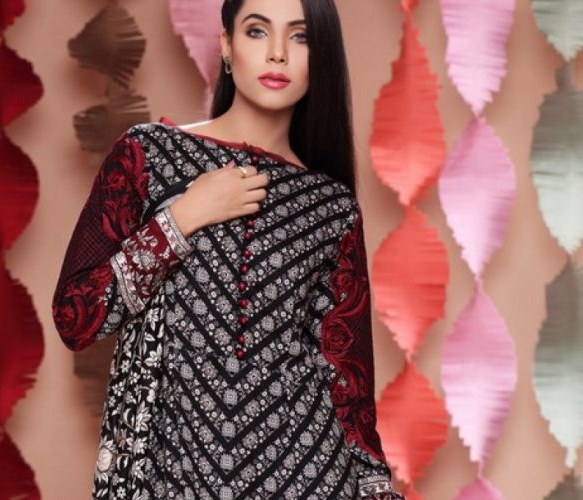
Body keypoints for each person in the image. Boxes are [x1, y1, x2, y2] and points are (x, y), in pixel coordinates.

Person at [52, 0, 405, 497]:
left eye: (300, 37)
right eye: (258, 31)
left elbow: (348, 382)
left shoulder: (331, 206)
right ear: (226, 45)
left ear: (320, 56)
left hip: (304, 477)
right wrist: (180, 220)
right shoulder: (149, 154)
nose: (278, 53)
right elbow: (76, 316)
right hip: (169, 474)